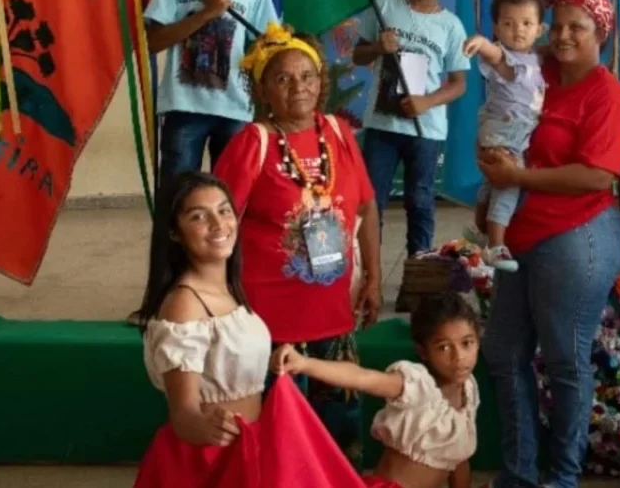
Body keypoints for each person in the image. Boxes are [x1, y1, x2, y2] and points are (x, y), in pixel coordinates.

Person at [478, 0, 620, 488]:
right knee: (504, 354)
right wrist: (493, 180)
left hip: (577, 235)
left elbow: (598, 174)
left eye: (579, 27)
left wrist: (515, 177)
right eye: (559, 25)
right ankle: (519, 473)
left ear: (601, 33)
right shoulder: (534, 69)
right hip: (519, 232)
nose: (564, 36)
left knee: (566, 360)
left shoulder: (608, 95)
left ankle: (563, 477)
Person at [212, 24, 381, 465]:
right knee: (280, 444)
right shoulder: (254, 142)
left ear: (321, 81)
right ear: (264, 89)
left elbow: (366, 206)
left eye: (307, 76)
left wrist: (376, 276)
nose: (298, 87)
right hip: (271, 326)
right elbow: (215, 224)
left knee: (339, 442)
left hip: (334, 319)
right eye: (283, 78)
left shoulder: (340, 134)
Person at [131, 172, 363, 488]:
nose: (218, 224)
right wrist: (202, 425)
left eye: (224, 210)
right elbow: (183, 415)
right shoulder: (185, 304)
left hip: (251, 443)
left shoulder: (231, 289)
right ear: (174, 231)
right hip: (212, 461)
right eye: (198, 216)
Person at [272, 292, 481, 488]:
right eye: (444, 347)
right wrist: (304, 364)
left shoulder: (469, 389)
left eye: (467, 343)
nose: (459, 357)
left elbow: (459, 458)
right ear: (423, 351)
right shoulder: (416, 385)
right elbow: (362, 377)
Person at [144, 0, 280, 188]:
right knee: (177, 192)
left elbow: (266, 46)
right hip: (184, 107)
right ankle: (170, 238)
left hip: (235, 106)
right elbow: (153, 43)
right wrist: (205, 14)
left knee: (232, 194)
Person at [352, 0, 469, 258]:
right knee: (371, 201)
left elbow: (459, 83)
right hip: (381, 127)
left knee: (420, 201)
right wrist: (378, 47)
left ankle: (418, 277)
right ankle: (368, 273)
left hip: (425, 130)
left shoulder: (451, 26)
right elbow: (358, 55)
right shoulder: (385, 7)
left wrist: (427, 101)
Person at [462, 0, 547, 272]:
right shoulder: (505, 58)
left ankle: (478, 227)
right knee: (509, 183)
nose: (518, 30)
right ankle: (496, 246)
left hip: (510, 131)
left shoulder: (536, 59)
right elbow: (493, 55)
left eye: (526, 23)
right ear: (496, 29)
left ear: (539, 29)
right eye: (508, 23)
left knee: (491, 183)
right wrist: (480, 43)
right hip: (505, 132)